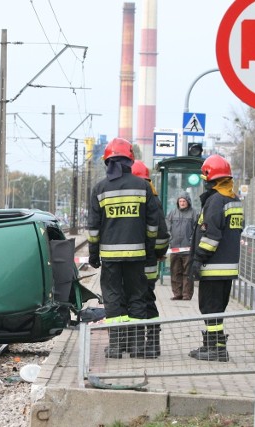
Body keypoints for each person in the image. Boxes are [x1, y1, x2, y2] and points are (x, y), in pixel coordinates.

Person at [87, 138, 160, 359]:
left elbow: (93, 228)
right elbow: (153, 224)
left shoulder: (100, 188)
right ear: (130, 160)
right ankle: (137, 346)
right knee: (137, 299)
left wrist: (93, 254)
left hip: (110, 258)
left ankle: (117, 347)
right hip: (137, 256)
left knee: (113, 300)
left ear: (108, 161)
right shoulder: (143, 186)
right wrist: (149, 251)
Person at [189, 155, 243, 362]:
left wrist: (197, 259)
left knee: (209, 309)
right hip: (228, 267)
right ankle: (217, 347)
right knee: (218, 310)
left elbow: (212, 236)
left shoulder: (215, 201)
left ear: (210, 178)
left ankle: (213, 349)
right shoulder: (233, 199)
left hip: (212, 266)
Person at [131, 160, 170, 358]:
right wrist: (158, 252)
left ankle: (134, 343)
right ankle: (152, 343)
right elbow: (162, 235)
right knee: (147, 301)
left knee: (135, 302)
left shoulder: (134, 198)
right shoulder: (154, 198)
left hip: (134, 264)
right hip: (149, 263)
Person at [166, 191, 197, 300]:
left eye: (184, 201)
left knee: (187, 273)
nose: (182, 203)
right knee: (175, 271)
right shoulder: (172, 213)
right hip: (174, 248)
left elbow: (196, 229)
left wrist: (191, 241)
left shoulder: (193, 213)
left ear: (188, 202)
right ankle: (177, 294)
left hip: (188, 249)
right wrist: (170, 238)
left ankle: (186, 294)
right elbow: (167, 226)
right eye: (180, 201)